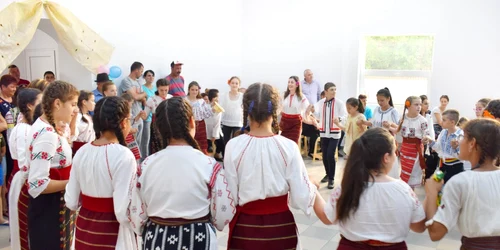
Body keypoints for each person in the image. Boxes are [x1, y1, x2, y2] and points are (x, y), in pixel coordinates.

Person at [129, 97, 234, 249]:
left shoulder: (146, 166)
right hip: (199, 239)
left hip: (157, 239)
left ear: (159, 128)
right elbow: (223, 217)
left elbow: (137, 216)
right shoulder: (209, 165)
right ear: (192, 122)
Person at [224, 82, 317, 249]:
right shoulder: (288, 147)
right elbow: (300, 195)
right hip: (280, 227)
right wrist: (311, 185)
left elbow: (230, 193)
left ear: (246, 111)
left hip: (245, 228)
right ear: (277, 111)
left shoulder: (233, 145)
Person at [313, 128, 426, 249]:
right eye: (395, 152)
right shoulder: (403, 189)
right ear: (386, 157)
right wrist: (431, 195)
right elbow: (419, 226)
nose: (396, 156)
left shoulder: (347, 186)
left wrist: (312, 190)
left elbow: (327, 218)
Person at [65, 96, 138, 249]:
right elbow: (122, 211)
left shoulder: (81, 152)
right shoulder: (123, 155)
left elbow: (71, 201)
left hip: (84, 229)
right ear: (123, 122)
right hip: (112, 232)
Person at [424, 119, 500, 249]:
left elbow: (436, 233)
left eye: (462, 137)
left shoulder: (461, 182)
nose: (459, 141)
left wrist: (432, 193)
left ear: (472, 144)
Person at [26, 80, 79, 250]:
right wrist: (73, 182)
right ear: (57, 103)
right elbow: (37, 185)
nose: (75, 110)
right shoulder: (47, 134)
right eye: (72, 104)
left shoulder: (48, 128)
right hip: (50, 209)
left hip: (55, 205)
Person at [8, 88, 42, 249]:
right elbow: (24, 163)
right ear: (29, 106)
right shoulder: (23, 130)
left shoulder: (31, 127)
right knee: (24, 228)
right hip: (23, 181)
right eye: (40, 102)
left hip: (30, 179)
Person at [359, 87, 401, 179]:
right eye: (378, 100)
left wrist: (389, 126)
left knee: (387, 163)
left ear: (388, 99)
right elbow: (373, 123)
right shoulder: (376, 110)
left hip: (388, 141)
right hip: (376, 141)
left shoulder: (393, 111)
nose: (380, 103)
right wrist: (363, 122)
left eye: (382, 100)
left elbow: (398, 128)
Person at [313, 82, 347, 189]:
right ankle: (328, 174)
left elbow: (345, 115)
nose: (334, 92)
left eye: (335, 89)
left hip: (335, 132)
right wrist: (313, 112)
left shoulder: (339, 103)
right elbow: (317, 115)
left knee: (330, 155)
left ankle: (331, 178)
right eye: (332, 89)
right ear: (326, 91)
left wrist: (339, 119)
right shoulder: (320, 103)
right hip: (323, 132)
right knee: (324, 156)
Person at [423, 109, 465, 183]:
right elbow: (439, 148)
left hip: (455, 168)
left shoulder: (460, 136)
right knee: (435, 184)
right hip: (442, 166)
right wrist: (430, 141)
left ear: (452, 122)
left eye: (444, 120)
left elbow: (462, 156)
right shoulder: (443, 132)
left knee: (450, 189)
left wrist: (455, 148)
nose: (441, 122)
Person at [397, 96, 430, 188]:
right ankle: (405, 193)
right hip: (405, 149)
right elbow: (399, 133)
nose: (419, 107)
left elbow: (426, 133)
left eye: (420, 104)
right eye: (416, 104)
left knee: (413, 172)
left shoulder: (422, 120)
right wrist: (399, 146)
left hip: (416, 150)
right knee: (405, 172)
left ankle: (411, 194)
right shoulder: (402, 118)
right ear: (408, 105)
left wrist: (426, 138)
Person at [119, 62, 147, 157]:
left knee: (138, 142)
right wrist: (143, 94)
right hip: (130, 116)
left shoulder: (138, 82)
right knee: (131, 141)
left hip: (139, 115)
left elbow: (143, 97)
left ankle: (138, 163)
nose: (141, 74)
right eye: (141, 71)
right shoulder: (126, 81)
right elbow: (134, 96)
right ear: (136, 70)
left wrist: (142, 96)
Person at [143, 79, 172, 155]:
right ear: (157, 89)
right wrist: (141, 115)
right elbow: (145, 116)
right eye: (161, 90)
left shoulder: (171, 98)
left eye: (166, 90)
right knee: (158, 145)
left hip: (170, 125)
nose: (164, 92)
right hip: (157, 126)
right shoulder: (152, 99)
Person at [186, 81, 215, 154]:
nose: (194, 91)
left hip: (200, 124)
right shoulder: (185, 100)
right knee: (190, 141)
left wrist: (213, 109)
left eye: (196, 90)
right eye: (192, 89)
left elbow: (207, 112)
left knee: (201, 143)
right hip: (189, 124)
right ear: (189, 90)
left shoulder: (201, 101)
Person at [280, 76, 311, 144]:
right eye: (289, 82)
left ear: (297, 84)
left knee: (293, 144)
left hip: (296, 123)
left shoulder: (301, 96)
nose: (290, 84)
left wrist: (308, 113)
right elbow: (280, 107)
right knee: (283, 143)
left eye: (292, 82)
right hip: (284, 123)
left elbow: (308, 107)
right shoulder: (284, 95)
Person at [0, 74, 17, 194]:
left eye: (15, 87)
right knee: (7, 168)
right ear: (3, 87)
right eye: (12, 87)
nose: (14, 89)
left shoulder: (16, 100)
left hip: (17, 138)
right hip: (5, 140)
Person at [219, 76, 243, 155]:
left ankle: (234, 160)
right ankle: (226, 159)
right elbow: (220, 107)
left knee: (236, 143)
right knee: (226, 143)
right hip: (226, 122)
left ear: (239, 85)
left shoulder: (242, 96)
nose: (234, 85)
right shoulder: (224, 95)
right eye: (232, 83)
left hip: (237, 123)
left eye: (236, 83)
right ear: (229, 84)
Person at [73, 90, 96, 155]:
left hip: (89, 148)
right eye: (92, 101)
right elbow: (74, 133)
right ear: (84, 102)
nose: (94, 103)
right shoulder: (78, 116)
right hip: (81, 149)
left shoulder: (87, 116)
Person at [420, 95, 437, 179]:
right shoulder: (417, 117)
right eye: (425, 103)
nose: (427, 105)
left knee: (430, 161)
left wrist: (432, 143)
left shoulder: (428, 115)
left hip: (427, 142)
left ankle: (427, 179)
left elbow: (431, 130)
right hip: (419, 143)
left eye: (428, 104)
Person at [141, 70, 156, 159]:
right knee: (145, 140)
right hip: (146, 117)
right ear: (145, 77)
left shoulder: (156, 89)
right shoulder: (142, 88)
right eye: (148, 76)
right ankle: (145, 159)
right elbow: (143, 102)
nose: (150, 77)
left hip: (155, 117)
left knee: (154, 139)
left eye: (152, 76)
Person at [205, 89, 224, 161]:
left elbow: (217, 122)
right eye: (217, 97)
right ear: (213, 98)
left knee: (222, 145)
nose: (218, 99)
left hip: (216, 130)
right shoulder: (206, 106)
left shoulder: (218, 107)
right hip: (207, 130)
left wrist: (214, 135)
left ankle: (217, 154)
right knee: (208, 148)